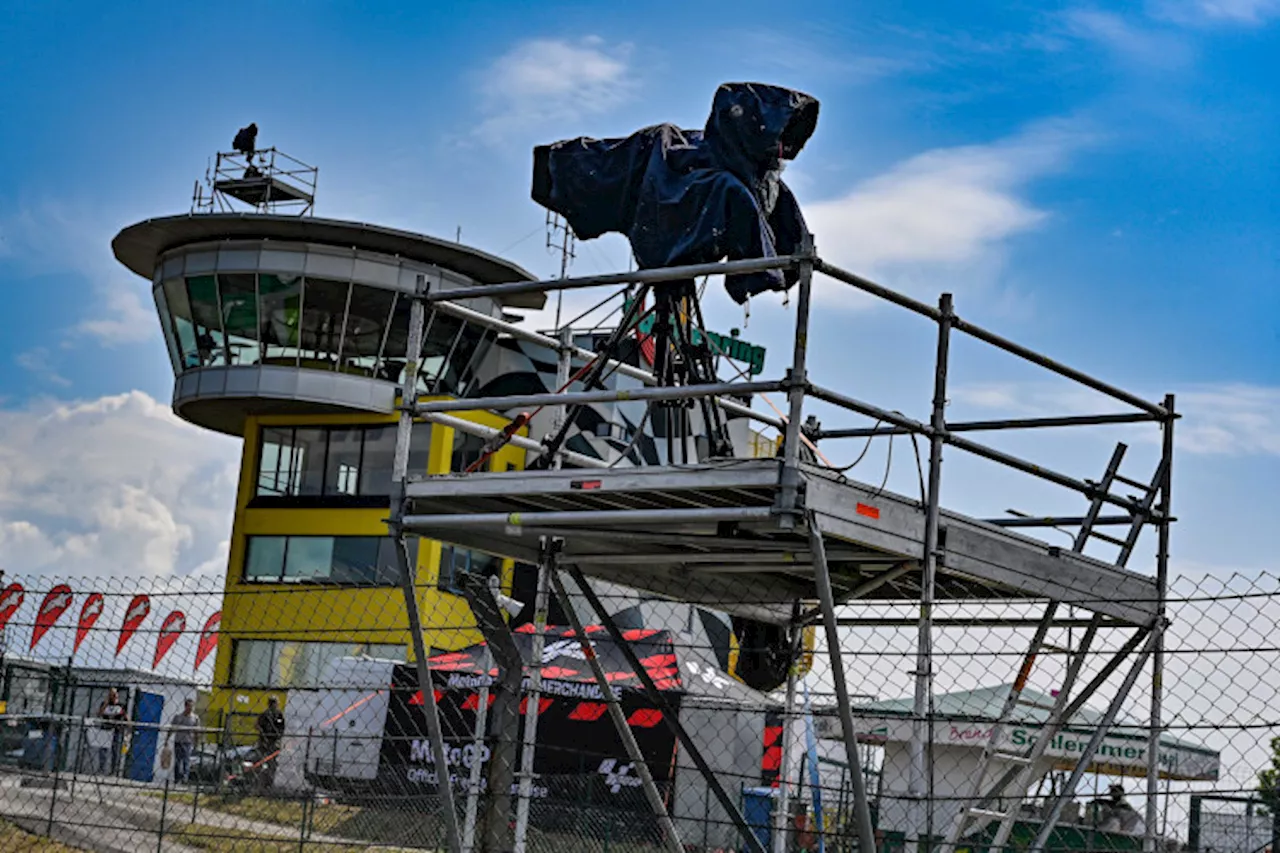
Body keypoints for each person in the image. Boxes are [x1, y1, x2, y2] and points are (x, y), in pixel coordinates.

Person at [165, 698, 201, 784]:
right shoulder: (178, 717)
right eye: (189, 706)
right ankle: (176, 778)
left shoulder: (195, 718)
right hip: (178, 741)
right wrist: (167, 739)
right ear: (185, 706)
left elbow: (197, 732)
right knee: (178, 761)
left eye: (192, 707)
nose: (190, 709)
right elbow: (172, 728)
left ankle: (185, 778)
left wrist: (196, 743)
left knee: (186, 760)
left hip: (188, 742)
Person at [255, 696, 285, 790]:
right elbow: (258, 726)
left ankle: (268, 784)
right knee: (263, 763)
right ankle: (262, 784)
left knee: (272, 764)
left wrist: (277, 738)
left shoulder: (279, 715)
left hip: (273, 742)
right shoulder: (264, 715)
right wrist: (264, 737)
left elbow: (281, 728)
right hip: (265, 742)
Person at [97, 688, 128, 776]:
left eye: (114, 695)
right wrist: (107, 703)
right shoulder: (104, 704)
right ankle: (101, 769)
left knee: (115, 750)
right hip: (105, 729)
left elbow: (125, 717)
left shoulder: (120, 705)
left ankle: (113, 771)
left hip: (116, 730)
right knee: (103, 750)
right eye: (111, 695)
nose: (113, 697)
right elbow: (99, 714)